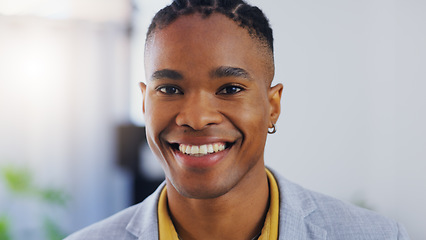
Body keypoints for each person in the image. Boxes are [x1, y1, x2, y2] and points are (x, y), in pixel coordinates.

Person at [65, 0, 410, 239]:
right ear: (144, 102)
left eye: (229, 88)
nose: (197, 118)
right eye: (170, 89)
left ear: (272, 105)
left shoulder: (378, 235)